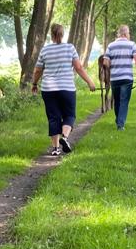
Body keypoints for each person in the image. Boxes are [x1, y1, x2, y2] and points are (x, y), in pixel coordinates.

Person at [31, 23, 96, 157]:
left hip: (48, 89)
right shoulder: (70, 48)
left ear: (51, 34)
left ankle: (55, 148)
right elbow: (78, 68)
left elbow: (38, 70)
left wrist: (34, 84)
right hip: (67, 88)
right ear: (62, 34)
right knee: (69, 115)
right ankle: (65, 138)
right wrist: (90, 82)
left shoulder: (45, 50)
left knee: (53, 117)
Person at [104, 24, 136, 130]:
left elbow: (105, 63)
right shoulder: (132, 45)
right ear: (126, 33)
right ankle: (120, 124)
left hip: (115, 78)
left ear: (119, 34)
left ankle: (119, 120)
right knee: (124, 101)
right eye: (129, 33)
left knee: (117, 100)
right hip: (127, 78)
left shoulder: (111, 46)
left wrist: (113, 65)